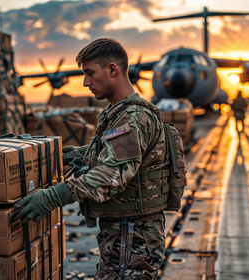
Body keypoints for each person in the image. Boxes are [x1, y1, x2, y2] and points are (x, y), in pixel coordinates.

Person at [13, 38, 176, 279]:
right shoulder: (119, 113)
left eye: (89, 73)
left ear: (112, 70)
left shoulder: (133, 118)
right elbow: (100, 153)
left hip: (133, 240)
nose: (85, 82)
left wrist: (52, 197)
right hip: (123, 237)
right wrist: (56, 155)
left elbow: (111, 174)